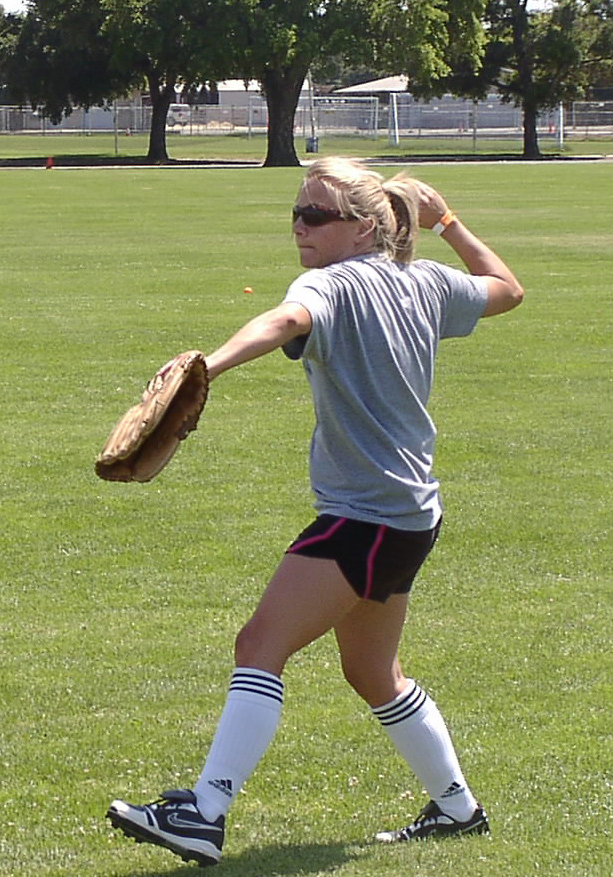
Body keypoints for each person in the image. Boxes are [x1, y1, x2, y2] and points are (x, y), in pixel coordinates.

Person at [107, 157, 524, 866]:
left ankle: (203, 812)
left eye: (316, 215)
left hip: (362, 517)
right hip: (411, 514)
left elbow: (285, 319)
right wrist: (446, 221)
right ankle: (457, 808)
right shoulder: (424, 281)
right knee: (371, 672)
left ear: (364, 227)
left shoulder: (328, 283)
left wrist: (209, 364)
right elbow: (507, 289)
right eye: (296, 212)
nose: (299, 225)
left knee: (258, 646)